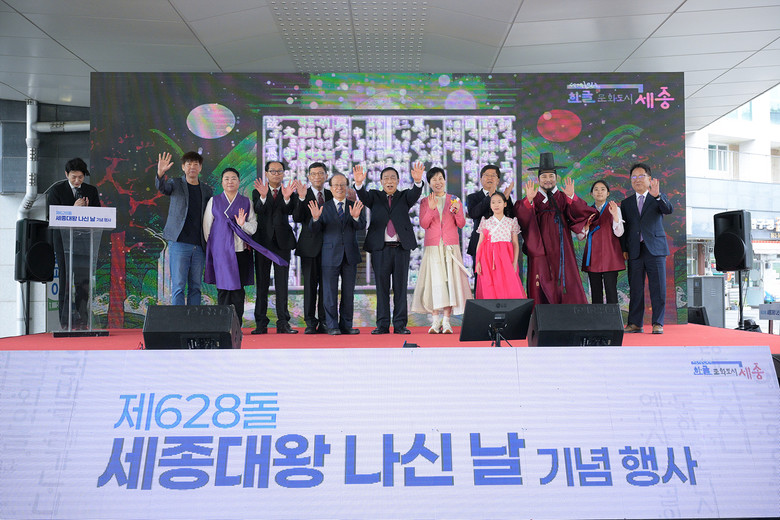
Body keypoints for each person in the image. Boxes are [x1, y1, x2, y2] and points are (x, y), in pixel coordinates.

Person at [515, 152, 597, 304]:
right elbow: (521, 216)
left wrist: (572, 197)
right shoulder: (534, 197)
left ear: (556, 178)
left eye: (551, 176)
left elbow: (579, 213)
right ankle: (542, 314)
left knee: (566, 278)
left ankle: (570, 313)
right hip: (540, 246)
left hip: (562, 246)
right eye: (544, 176)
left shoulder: (563, 196)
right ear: (538, 179)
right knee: (540, 279)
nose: (548, 180)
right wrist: (528, 201)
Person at [353, 162, 424, 334]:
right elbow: (363, 196)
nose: (390, 181)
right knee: (382, 288)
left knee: (400, 288)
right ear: (381, 181)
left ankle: (400, 325)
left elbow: (415, 193)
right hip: (380, 249)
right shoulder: (374, 196)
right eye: (386, 178)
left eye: (393, 178)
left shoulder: (405, 197)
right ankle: (382, 325)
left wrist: (418, 182)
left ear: (398, 181)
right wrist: (359, 184)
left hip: (401, 249)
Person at [411, 167, 472, 334]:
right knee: (435, 283)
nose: (438, 182)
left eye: (440, 178)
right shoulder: (425, 201)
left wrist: (458, 212)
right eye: (434, 180)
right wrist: (431, 209)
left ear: (445, 180)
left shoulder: (454, 199)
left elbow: (461, 224)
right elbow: (424, 224)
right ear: (429, 183)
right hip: (433, 247)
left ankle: (446, 322)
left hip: (450, 246)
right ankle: (435, 321)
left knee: (449, 283)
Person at [308, 173, 366, 335]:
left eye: (342, 185)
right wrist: (315, 219)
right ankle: (332, 326)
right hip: (329, 255)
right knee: (329, 292)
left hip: (350, 255)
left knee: (348, 293)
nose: (339, 188)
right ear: (331, 188)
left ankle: (346, 325)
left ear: (346, 187)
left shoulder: (354, 205)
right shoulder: (323, 207)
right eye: (336, 185)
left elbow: (362, 225)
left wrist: (355, 218)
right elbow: (314, 230)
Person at [47, 157, 101, 329]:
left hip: (84, 243)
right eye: (74, 177)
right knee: (64, 281)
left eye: (80, 177)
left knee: (83, 282)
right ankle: (65, 322)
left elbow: (99, 216)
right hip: (63, 243)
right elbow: (51, 216)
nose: (77, 181)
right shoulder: (56, 190)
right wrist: (74, 209)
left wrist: (87, 210)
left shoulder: (91, 191)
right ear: (66, 174)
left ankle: (83, 320)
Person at [203, 168, 261, 324]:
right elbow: (207, 228)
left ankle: (236, 325)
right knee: (223, 289)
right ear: (222, 182)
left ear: (239, 182)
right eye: (227, 178)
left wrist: (242, 225)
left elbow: (253, 227)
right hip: (221, 253)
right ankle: (222, 325)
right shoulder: (214, 201)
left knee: (237, 290)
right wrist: (216, 247)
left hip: (240, 251)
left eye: (233, 178)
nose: (230, 181)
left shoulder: (246, 202)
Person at [621, 163, 673, 334]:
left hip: (655, 249)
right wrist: (624, 249)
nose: (637, 180)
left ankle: (658, 323)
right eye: (634, 177)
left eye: (641, 176)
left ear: (649, 179)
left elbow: (668, 209)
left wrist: (657, 196)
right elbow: (625, 228)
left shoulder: (656, 197)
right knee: (635, 288)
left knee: (658, 288)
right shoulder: (626, 203)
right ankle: (635, 323)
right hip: (635, 250)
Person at [156, 151, 213, 306]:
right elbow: (163, 188)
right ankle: (178, 320)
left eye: (196, 164)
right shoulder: (175, 184)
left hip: (199, 245)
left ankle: (193, 319)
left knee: (196, 287)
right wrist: (160, 174)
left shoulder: (207, 190)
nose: (192, 167)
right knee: (178, 286)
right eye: (189, 164)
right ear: (183, 167)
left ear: (200, 168)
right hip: (179, 243)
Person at [251, 161, 300, 334]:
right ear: (266, 173)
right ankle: (261, 323)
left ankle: (283, 323)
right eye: (273, 171)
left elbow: (290, 211)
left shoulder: (289, 192)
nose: (276, 174)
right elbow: (259, 209)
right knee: (262, 284)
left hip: (282, 243)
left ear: (284, 173)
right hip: (262, 243)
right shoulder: (257, 191)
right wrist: (264, 197)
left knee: (282, 284)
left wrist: (286, 198)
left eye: (279, 171)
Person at [293, 162, 333, 334]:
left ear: (326, 176)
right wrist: (301, 199)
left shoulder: (332, 194)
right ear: (309, 177)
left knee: (326, 286)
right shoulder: (303, 194)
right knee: (310, 286)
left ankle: (325, 321)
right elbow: (297, 217)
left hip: (330, 247)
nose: (317, 177)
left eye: (320, 173)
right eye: (314, 174)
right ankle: (310, 322)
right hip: (309, 247)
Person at [466, 165, 515, 291]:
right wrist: (489, 197)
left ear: (498, 180)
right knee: (482, 280)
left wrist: (506, 199)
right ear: (481, 179)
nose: (490, 178)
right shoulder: (472, 197)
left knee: (501, 280)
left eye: (493, 176)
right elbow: (474, 214)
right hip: (480, 243)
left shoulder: (503, 197)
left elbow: (511, 217)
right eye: (486, 175)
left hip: (501, 246)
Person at [578, 180, 625, 304]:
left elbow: (619, 233)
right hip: (593, 255)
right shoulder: (587, 211)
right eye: (596, 189)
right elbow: (580, 236)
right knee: (595, 291)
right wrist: (586, 227)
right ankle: (596, 316)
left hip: (610, 255)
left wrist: (615, 216)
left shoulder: (614, 209)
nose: (599, 192)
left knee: (611, 290)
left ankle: (613, 317)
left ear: (608, 193)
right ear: (591, 193)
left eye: (603, 189)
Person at [474, 192, 527, 300]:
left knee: (508, 284)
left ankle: (508, 309)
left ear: (505, 204)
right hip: (488, 258)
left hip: (506, 257)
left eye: (499, 202)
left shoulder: (511, 222)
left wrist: (514, 262)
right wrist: (478, 262)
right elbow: (480, 242)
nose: (496, 205)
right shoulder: (486, 222)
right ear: (490, 205)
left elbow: (515, 244)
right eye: (493, 202)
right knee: (489, 285)